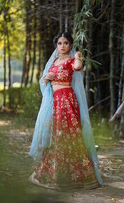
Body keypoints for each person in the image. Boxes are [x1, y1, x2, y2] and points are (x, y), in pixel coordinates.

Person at [29, 32, 104, 190]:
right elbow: (45, 81)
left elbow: (77, 68)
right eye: (59, 43)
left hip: (66, 100)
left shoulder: (71, 60)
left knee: (67, 134)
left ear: (70, 45)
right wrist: (46, 78)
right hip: (54, 101)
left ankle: (76, 176)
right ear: (56, 46)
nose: (62, 46)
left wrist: (77, 56)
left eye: (66, 43)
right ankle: (54, 172)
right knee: (55, 135)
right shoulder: (54, 61)